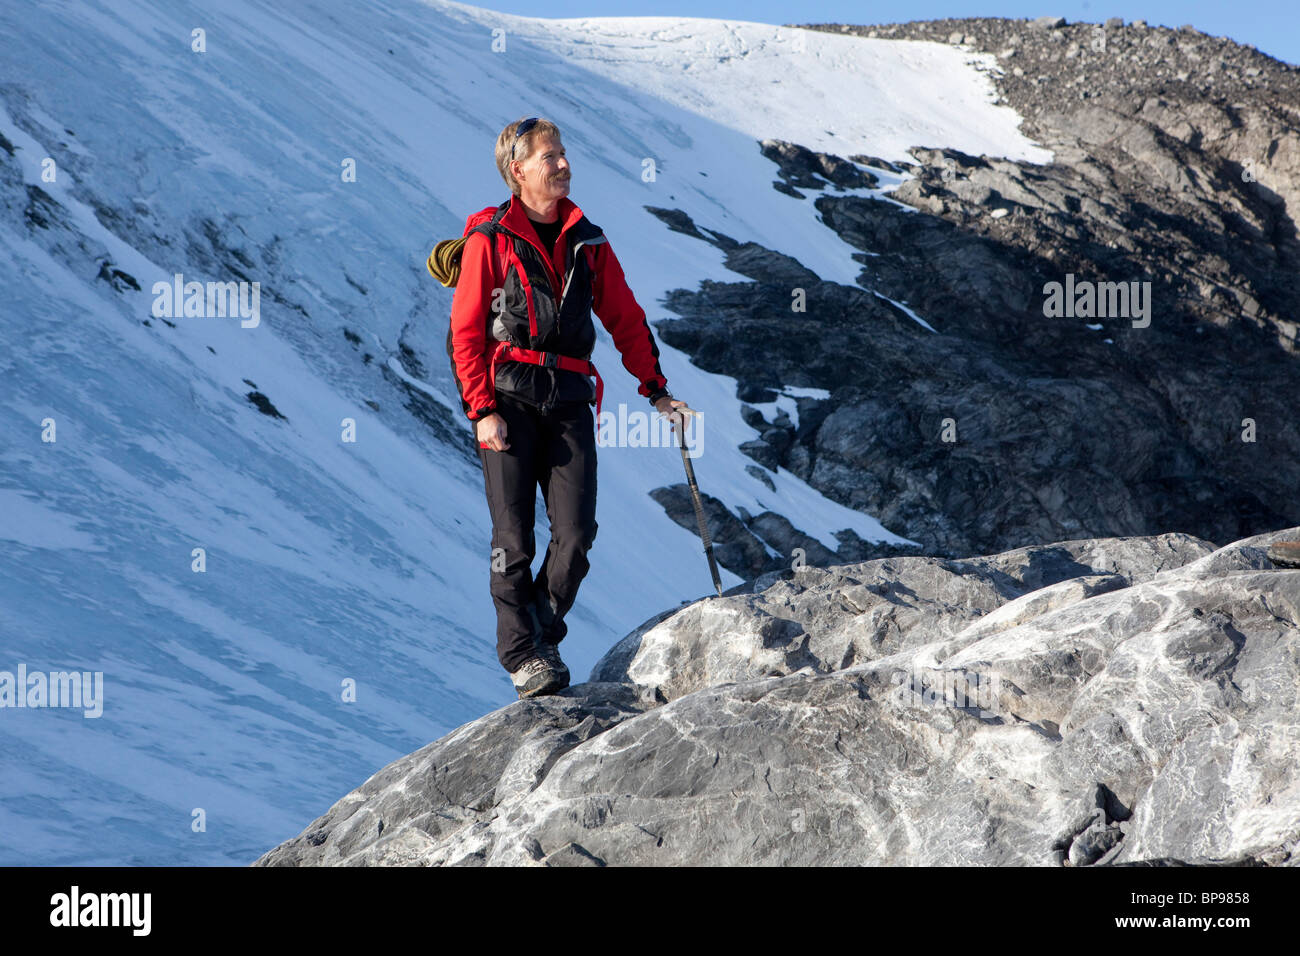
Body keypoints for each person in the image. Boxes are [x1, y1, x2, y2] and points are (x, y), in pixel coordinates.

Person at [448, 116, 689, 699]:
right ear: (518, 169)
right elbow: (465, 330)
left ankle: (542, 630)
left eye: (562, 154)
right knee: (514, 538)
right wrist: (482, 408)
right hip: (506, 399)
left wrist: (654, 387)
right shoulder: (490, 241)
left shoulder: (589, 240)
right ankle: (523, 653)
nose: (562, 164)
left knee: (576, 532)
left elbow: (624, 317)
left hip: (571, 400)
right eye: (549, 156)